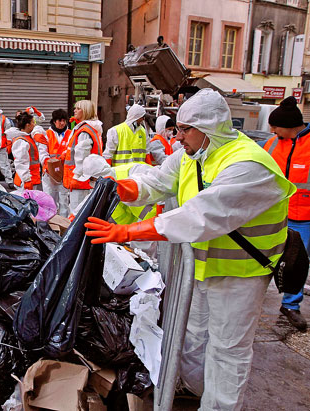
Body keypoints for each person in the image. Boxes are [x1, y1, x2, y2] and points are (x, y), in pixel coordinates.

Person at [84, 89, 296, 410]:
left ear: (208, 128)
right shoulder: (191, 155)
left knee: (228, 351)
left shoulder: (249, 165)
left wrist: (130, 230)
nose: (177, 135)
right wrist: (125, 187)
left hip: (241, 275)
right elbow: (157, 182)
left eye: (185, 129)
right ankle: (194, 392)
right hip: (202, 266)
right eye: (178, 128)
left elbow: (201, 214)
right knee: (194, 337)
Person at [264, 95, 310, 331]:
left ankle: (291, 305)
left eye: (275, 126)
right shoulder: (272, 144)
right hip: (274, 213)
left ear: (290, 126)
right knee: (264, 258)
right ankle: (254, 295)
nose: (272, 130)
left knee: (297, 263)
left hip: (304, 217)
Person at [62, 99, 104, 215]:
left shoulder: (84, 131)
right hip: (87, 179)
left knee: (76, 212)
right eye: (75, 108)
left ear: (85, 111)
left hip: (81, 180)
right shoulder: (90, 129)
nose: (75, 110)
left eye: (78, 108)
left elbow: (82, 157)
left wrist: (77, 176)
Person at [44, 109, 71, 217]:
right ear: (54, 121)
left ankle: (63, 225)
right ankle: (50, 224)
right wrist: (47, 165)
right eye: (60, 121)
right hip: (49, 172)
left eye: (64, 120)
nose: (62, 123)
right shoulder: (47, 134)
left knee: (64, 200)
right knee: (50, 200)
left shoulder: (70, 134)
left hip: (64, 172)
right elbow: (42, 152)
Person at [5, 112, 42, 190]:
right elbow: (20, 162)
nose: (34, 124)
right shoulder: (21, 140)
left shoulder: (28, 137)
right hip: (25, 182)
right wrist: (26, 179)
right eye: (33, 122)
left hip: (30, 179)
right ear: (27, 125)